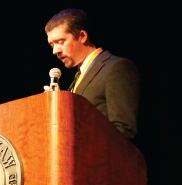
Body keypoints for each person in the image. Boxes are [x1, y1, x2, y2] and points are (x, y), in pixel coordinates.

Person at [45, 8, 140, 139]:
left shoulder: (115, 68)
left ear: (82, 36)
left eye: (60, 42)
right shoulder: (79, 76)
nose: (55, 51)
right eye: (52, 45)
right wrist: (60, 105)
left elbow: (123, 130)